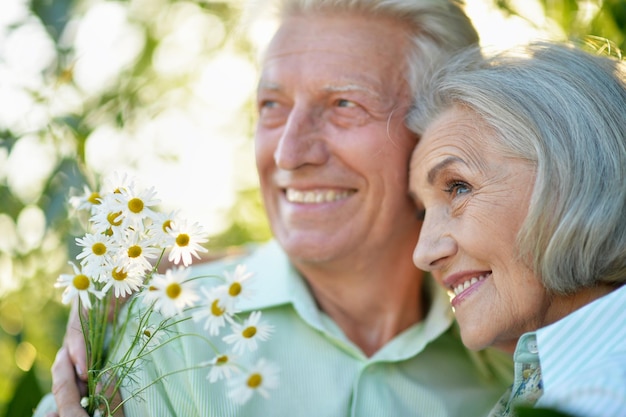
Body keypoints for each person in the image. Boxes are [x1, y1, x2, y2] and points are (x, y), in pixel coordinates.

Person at [34, 0, 514, 416]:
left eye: (345, 104)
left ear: (438, 133)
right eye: (271, 105)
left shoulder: (514, 360)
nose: (288, 153)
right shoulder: (163, 334)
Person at [407, 41, 626, 417]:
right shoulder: (558, 387)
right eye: (420, 213)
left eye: (458, 187)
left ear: (574, 176)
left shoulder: (600, 398)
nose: (423, 254)